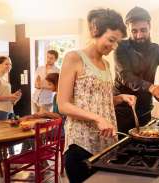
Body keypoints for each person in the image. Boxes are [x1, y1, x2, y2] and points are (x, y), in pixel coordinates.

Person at [57, 8, 136, 183]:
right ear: (95, 30)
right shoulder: (74, 58)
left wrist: (120, 97)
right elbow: (63, 104)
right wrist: (97, 118)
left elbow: (100, 101)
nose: (114, 47)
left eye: (117, 43)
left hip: (106, 144)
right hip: (81, 144)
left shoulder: (107, 65)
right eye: (111, 40)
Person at [114, 7, 159, 133]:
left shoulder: (156, 50)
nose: (139, 35)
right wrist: (152, 88)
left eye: (143, 30)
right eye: (134, 31)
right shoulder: (120, 48)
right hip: (122, 113)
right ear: (128, 30)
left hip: (145, 111)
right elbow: (126, 77)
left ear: (149, 26)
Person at [0, 56, 22, 120]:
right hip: (0, 111)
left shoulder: (4, 79)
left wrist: (15, 98)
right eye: (6, 64)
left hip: (9, 111)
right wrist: (10, 97)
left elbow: (4, 96)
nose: (9, 66)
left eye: (10, 64)